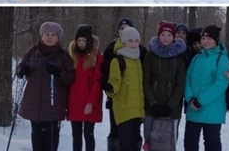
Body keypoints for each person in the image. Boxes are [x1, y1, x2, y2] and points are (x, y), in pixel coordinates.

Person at [16, 22, 75, 151]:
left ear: (58, 38)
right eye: (47, 34)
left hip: (53, 105)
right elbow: (21, 66)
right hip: (34, 103)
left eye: (53, 35)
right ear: (42, 36)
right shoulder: (33, 51)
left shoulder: (63, 55)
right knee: (36, 137)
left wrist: (58, 72)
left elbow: (70, 78)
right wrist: (23, 70)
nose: (50, 37)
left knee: (51, 138)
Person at [183, 25, 229, 151]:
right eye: (203, 38)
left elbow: (221, 84)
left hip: (212, 111)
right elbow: (187, 79)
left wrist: (201, 101)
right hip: (193, 110)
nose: (205, 41)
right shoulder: (196, 58)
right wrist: (191, 98)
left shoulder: (222, 59)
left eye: (209, 38)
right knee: (189, 143)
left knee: (212, 144)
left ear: (216, 40)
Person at [103, 18, 147, 151]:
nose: (133, 44)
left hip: (137, 109)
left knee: (134, 143)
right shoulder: (118, 60)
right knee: (125, 144)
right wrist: (110, 88)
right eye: (130, 41)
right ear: (123, 41)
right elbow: (115, 83)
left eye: (136, 41)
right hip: (124, 107)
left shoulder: (138, 59)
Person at [142, 21, 187, 151]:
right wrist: (153, 102)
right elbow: (145, 81)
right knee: (150, 140)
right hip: (152, 108)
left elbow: (180, 84)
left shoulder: (179, 57)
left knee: (169, 141)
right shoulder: (150, 55)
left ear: (174, 37)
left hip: (172, 110)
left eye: (169, 34)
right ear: (158, 35)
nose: (166, 37)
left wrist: (170, 105)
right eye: (163, 34)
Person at [67, 24, 104, 151]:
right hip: (75, 101)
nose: (81, 43)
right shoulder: (72, 56)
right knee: (76, 136)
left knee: (89, 134)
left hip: (89, 101)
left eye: (84, 40)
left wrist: (90, 102)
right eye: (79, 40)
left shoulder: (96, 58)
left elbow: (98, 82)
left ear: (89, 41)